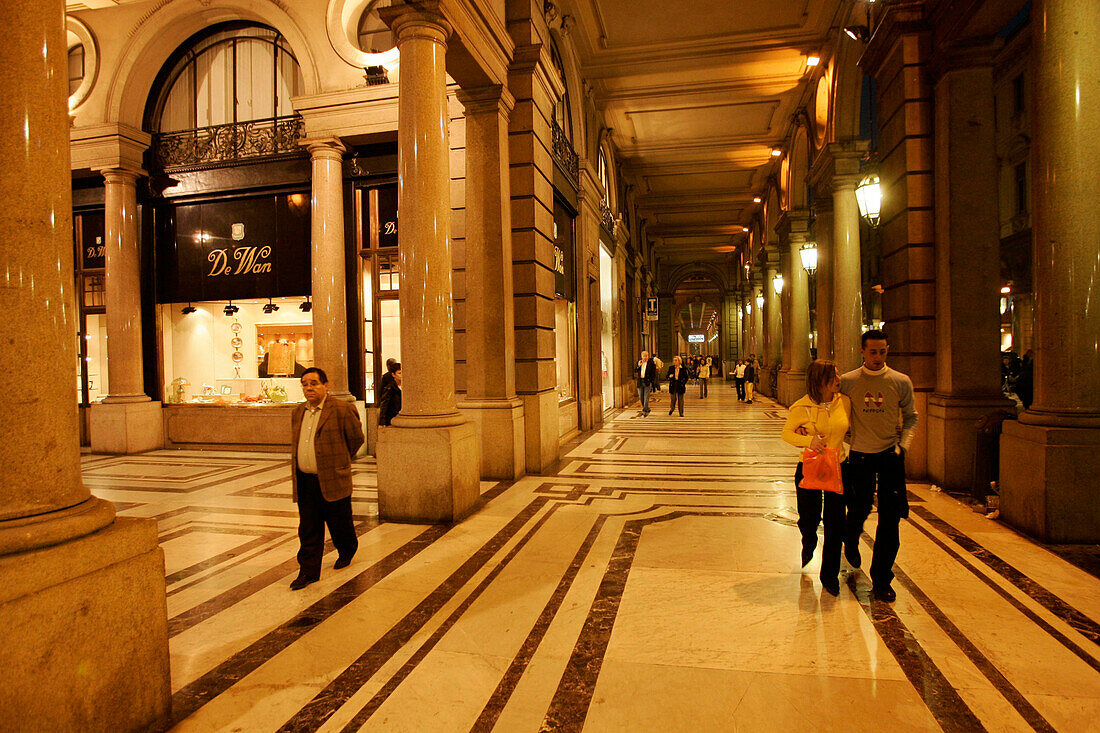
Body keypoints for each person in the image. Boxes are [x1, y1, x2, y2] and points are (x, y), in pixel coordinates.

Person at [841, 329, 918, 603]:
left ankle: (882, 578)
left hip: (889, 457)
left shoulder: (900, 381)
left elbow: (911, 417)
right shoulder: (848, 381)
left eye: (882, 351)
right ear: (862, 351)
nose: (877, 357)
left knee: (890, 519)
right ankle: (850, 536)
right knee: (859, 507)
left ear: (888, 350)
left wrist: (903, 446)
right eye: (872, 352)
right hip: (859, 456)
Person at [289, 367, 365, 590]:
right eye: (305, 384)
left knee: (339, 521)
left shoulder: (342, 409)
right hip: (305, 480)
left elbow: (356, 439)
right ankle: (308, 571)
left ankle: (347, 548)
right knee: (308, 528)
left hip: (333, 477)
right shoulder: (297, 412)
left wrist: (339, 460)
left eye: (314, 383)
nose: (309, 388)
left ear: (325, 385)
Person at [782, 360, 852, 596]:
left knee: (835, 523)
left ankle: (829, 575)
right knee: (809, 517)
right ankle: (808, 539)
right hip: (809, 467)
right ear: (819, 380)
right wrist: (808, 441)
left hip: (838, 467)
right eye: (832, 376)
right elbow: (786, 433)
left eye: (837, 374)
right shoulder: (801, 407)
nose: (838, 379)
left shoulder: (845, 402)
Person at [636, 350, 658, 416]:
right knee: (641, 396)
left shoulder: (651, 363)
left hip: (647, 382)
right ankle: (646, 408)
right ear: (641, 356)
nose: (645, 357)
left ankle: (645, 410)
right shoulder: (639, 363)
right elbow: (635, 370)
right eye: (644, 356)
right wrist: (638, 366)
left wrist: (651, 381)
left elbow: (654, 374)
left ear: (648, 356)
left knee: (646, 397)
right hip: (640, 382)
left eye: (646, 356)